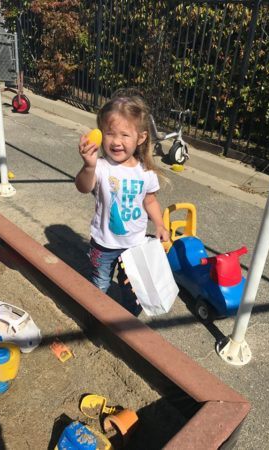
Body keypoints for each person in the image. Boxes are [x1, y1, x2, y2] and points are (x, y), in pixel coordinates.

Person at [75, 93, 169, 315]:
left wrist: (160, 224)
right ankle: (97, 315)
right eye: (110, 134)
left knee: (133, 287)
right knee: (99, 282)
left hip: (134, 244)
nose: (116, 141)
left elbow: (150, 200)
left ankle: (128, 319)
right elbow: (83, 187)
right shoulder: (101, 166)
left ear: (141, 137)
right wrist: (88, 167)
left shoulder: (145, 172)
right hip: (103, 243)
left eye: (125, 134)